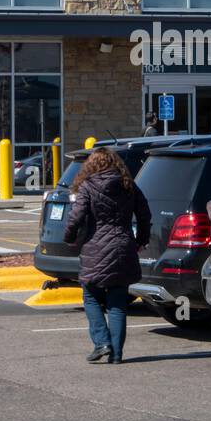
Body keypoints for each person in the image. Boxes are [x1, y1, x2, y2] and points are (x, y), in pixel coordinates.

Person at [63, 148, 151, 364]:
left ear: (92, 165)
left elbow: (76, 217)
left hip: (95, 247)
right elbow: (144, 213)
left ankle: (102, 343)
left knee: (91, 295)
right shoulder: (128, 185)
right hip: (123, 245)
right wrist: (141, 240)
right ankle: (117, 354)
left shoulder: (88, 186)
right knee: (117, 301)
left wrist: (69, 237)